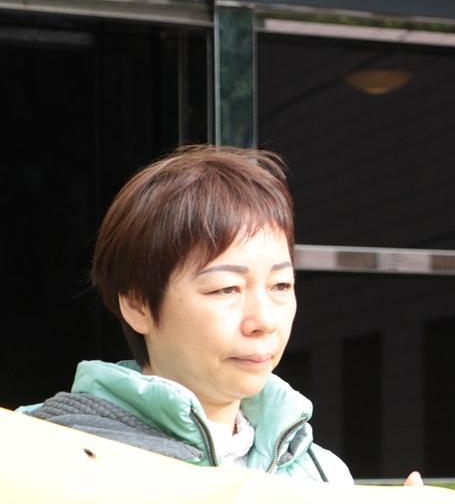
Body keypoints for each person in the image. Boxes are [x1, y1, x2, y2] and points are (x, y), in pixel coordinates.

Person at [22, 145, 354, 482]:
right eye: (227, 288)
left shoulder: (322, 475)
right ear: (138, 304)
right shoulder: (39, 457)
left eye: (280, 285)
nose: (264, 322)